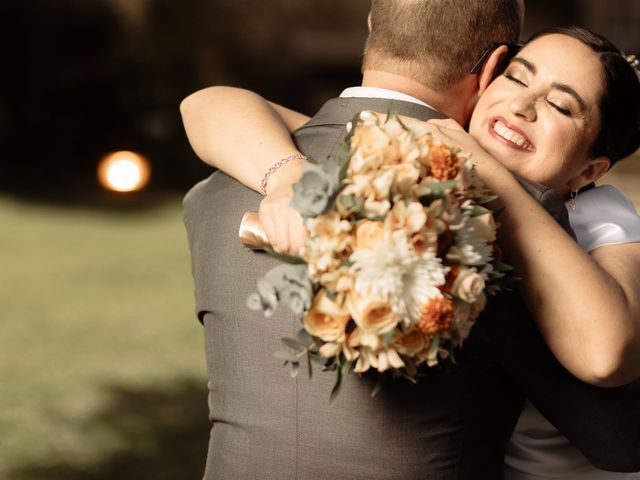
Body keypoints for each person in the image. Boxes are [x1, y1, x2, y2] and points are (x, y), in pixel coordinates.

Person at [181, 2, 640, 478]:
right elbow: (619, 440)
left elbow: (205, 103)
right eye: (518, 77)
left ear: (372, 25)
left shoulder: (217, 189)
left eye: (561, 105)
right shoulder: (493, 224)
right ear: (489, 72)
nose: (523, 105)